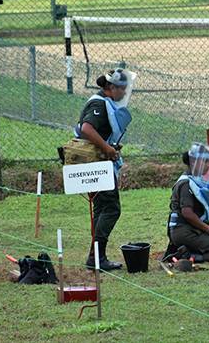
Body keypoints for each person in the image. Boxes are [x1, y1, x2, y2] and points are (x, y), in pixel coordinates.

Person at [75, 68, 134, 271]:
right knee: (110, 208)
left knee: (101, 209)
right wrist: (108, 148)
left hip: (100, 162)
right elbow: (86, 128)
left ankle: (96, 257)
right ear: (111, 87)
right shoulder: (99, 103)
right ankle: (96, 257)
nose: (125, 93)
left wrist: (111, 148)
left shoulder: (105, 102)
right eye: (122, 89)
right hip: (97, 163)